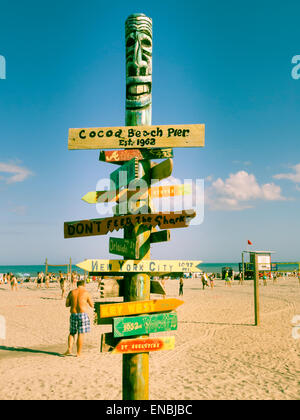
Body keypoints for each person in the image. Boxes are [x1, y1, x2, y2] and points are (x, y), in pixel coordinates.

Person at [64, 280, 93, 357]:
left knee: (72, 332)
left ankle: (69, 349)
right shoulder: (86, 292)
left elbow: (67, 304)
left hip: (73, 314)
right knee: (81, 334)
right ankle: (78, 353)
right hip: (82, 314)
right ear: (84, 285)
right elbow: (91, 305)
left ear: (77, 285)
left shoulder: (72, 292)